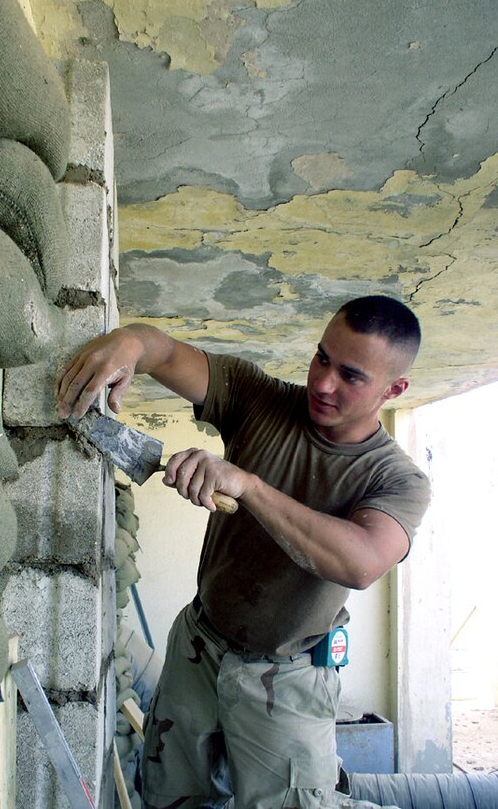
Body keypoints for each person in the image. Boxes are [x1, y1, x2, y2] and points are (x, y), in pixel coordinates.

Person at [57, 295, 431, 809]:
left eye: (351, 375)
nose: (322, 383)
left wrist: (251, 486)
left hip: (290, 679)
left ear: (395, 389)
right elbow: (163, 353)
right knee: (170, 796)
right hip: (198, 647)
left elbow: (361, 561)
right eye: (321, 357)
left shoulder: (397, 479)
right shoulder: (259, 398)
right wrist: (129, 345)